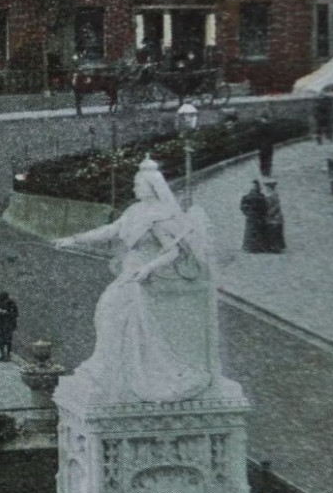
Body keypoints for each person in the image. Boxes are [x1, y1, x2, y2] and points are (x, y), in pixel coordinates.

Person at [54, 157, 219, 403]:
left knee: (116, 313)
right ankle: (110, 366)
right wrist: (75, 239)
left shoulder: (159, 217)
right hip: (129, 272)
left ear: (151, 187)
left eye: (137, 185)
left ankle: (126, 370)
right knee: (107, 313)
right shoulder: (134, 211)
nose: (134, 189)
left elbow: (172, 252)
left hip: (142, 277)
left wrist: (148, 269)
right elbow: (110, 230)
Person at [239, 181, 270, 253]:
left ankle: (251, 246)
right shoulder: (260, 197)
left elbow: (243, 207)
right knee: (257, 232)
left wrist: (247, 213)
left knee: (251, 232)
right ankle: (257, 247)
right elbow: (265, 207)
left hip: (253, 217)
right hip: (258, 217)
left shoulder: (247, 197)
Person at [0, 292, 19, 362]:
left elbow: (16, 314)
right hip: (1, 324)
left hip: (9, 324)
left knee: (8, 340)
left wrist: (7, 313)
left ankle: (8, 355)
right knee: (0, 340)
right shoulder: (0, 303)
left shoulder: (12, 304)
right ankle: (3, 354)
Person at [262, 180, 285, 253]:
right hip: (277, 217)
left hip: (273, 217)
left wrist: (267, 213)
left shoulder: (271, 196)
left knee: (273, 233)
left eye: (267, 187)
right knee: (276, 233)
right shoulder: (275, 195)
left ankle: (274, 247)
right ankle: (276, 247)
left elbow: (272, 207)